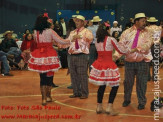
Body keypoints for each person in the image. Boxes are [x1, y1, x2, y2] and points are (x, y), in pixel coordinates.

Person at [89, 22, 136, 115]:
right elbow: (121, 50)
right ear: (107, 30)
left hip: (99, 65)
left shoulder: (97, 40)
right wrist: (132, 50)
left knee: (101, 86)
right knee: (115, 86)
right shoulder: (111, 39)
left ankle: (99, 107)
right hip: (109, 65)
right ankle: (109, 107)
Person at [28, 13, 70, 106]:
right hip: (49, 55)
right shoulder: (50, 31)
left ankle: (43, 99)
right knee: (50, 76)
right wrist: (71, 39)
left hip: (39, 55)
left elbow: (37, 43)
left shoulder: (35, 32)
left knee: (42, 78)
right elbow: (61, 41)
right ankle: (48, 96)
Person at [114, 13, 154, 110]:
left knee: (142, 83)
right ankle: (127, 100)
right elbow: (121, 45)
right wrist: (116, 56)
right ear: (136, 21)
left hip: (142, 62)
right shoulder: (126, 32)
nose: (145, 23)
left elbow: (148, 44)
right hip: (129, 62)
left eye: (145, 21)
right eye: (143, 21)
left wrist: (136, 49)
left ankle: (141, 102)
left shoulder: (148, 32)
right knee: (128, 82)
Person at [67, 15, 93, 99]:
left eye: (78, 21)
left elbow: (90, 38)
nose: (76, 22)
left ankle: (84, 93)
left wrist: (80, 37)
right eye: (76, 21)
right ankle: (76, 92)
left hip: (82, 55)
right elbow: (67, 42)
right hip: (72, 55)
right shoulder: (72, 32)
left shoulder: (87, 31)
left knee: (82, 75)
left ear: (83, 22)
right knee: (73, 75)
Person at [146, 17, 162, 81]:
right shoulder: (159, 28)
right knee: (156, 62)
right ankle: (155, 77)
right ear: (155, 22)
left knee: (148, 61)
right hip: (157, 45)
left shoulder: (147, 28)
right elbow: (160, 36)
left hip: (149, 46)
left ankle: (148, 77)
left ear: (149, 22)